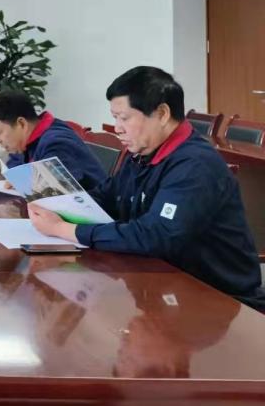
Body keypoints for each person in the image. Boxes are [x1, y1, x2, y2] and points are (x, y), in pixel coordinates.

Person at [28, 66, 265, 311]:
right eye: (115, 118)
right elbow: (107, 196)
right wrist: (57, 206)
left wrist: (64, 229)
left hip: (219, 299)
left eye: (124, 118)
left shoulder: (195, 164)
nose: (117, 127)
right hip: (162, 285)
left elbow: (156, 235)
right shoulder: (142, 154)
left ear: (162, 114)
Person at [0, 90, 106, 192]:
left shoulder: (56, 143)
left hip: (92, 212)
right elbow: (15, 166)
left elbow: (56, 191)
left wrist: (25, 180)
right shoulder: (23, 142)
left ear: (21, 124)